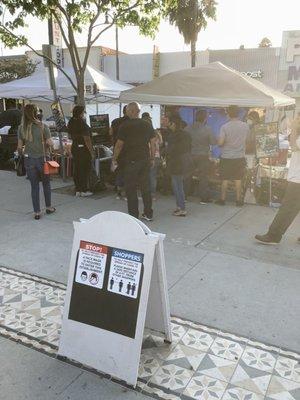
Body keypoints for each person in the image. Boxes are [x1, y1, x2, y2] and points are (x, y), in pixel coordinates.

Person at [255, 113, 300, 244]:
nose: (295, 119)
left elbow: (294, 146)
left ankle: (274, 235)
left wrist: (294, 127)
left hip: (298, 179)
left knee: (288, 207)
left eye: (298, 117)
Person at [112, 102, 156, 221]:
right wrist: (152, 158)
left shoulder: (125, 126)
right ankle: (148, 213)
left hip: (130, 161)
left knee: (131, 189)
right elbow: (153, 142)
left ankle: (133, 216)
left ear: (131, 111)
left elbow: (119, 145)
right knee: (145, 188)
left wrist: (114, 159)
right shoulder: (147, 124)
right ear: (138, 111)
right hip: (145, 159)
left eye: (127, 111)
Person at [17, 104, 56, 220]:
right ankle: (48, 207)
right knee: (46, 184)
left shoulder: (21, 128)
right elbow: (50, 143)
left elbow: (19, 147)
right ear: (36, 113)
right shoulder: (43, 126)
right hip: (43, 159)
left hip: (29, 159)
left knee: (34, 187)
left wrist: (22, 153)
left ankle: (37, 212)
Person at [216, 105, 250, 206]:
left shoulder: (224, 127)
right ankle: (238, 200)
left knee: (225, 179)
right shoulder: (245, 126)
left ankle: (222, 200)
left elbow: (220, 143)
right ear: (238, 113)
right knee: (238, 179)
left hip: (226, 157)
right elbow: (247, 141)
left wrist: (219, 143)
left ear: (228, 114)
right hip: (239, 157)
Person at [185, 109, 216, 203]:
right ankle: (203, 198)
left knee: (187, 176)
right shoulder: (208, 129)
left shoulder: (187, 128)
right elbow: (213, 142)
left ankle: (184, 196)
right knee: (203, 177)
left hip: (190, 154)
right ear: (205, 118)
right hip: (203, 155)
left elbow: (185, 141)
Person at [167, 115, 192, 217]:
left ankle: (181, 208)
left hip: (175, 162)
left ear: (174, 124)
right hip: (184, 162)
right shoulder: (187, 134)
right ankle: (180, 206)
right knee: (179, 185)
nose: (169, 125)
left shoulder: (173, 136)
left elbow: (171, 150)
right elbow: (189, 147)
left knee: (177, 186)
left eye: (170, 123)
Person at [68, 105, 94, 197]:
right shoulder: (82, 123)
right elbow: (87, 139)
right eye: (84, 112)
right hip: (83, 148)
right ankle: (84, 190)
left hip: (75, 147)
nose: (84, 114)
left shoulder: (71, 121)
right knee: (84, 169)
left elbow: (70, 136)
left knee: (77, 169)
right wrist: (92, 152)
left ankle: (78, 189)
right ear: (80, 113)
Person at [110, 106, 128, 199]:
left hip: (116, 148)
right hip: (128, 150)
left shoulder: (115, 121)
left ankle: (118, 189)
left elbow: (110, 133)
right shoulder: (131, 122)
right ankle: (124, 191)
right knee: (127, 170)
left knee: (118, 168)